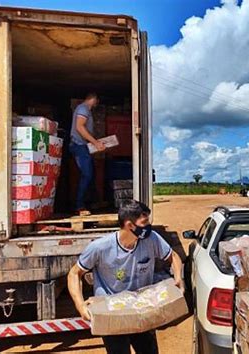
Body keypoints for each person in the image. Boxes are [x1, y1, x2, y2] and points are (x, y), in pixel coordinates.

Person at [67, 200, 184, 354]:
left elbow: (173, 257)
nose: (149, 226)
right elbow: (74, 274)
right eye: (144, 222)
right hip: (112, 314)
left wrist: (178, 279)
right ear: (130, 225)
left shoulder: (151, 239)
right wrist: (80, 305)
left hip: (143, 310)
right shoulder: (100, 247)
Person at [69, 92, 105, 215]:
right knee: (87, 174)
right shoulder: (83, 108)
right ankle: (79, 206)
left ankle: (92, 202)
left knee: (91, 173)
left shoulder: (85, 110)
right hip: (79, 146)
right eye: (97, 101)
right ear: (94, 99)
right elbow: (80, 127)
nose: (97, 104)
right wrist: (95, 142)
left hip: (82, 146)